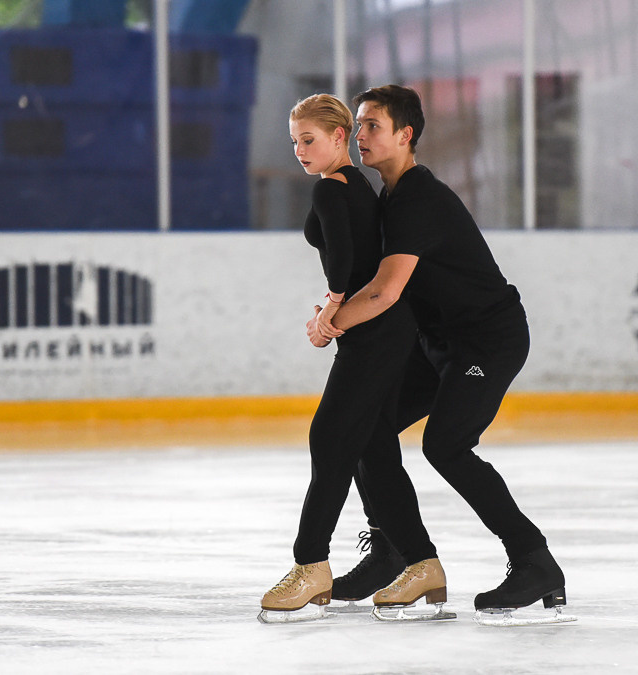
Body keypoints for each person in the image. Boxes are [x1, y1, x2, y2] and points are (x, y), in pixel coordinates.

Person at [309, 85, 567, 617]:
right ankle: (392, 552)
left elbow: (385, 290)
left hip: (485, 341)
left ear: (406, 136)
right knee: (366, 426)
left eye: (373, 126)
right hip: (437, 343)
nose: (361, 136)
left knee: (446, 446)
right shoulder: (389, 197)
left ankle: (534, 560)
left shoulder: (418, 199)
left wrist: (328, 323)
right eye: (357, 126)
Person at [259, 93, 419, 621]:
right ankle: (416, 560)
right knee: (370, 446)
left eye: (309, 140)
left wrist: (330, 312)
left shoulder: (331, 189)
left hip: (372, 332)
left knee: (329, 439)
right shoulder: (362, 186)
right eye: (295, 142)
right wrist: (340, 310)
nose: (300, 151)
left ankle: (311, 565)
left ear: (338, 137)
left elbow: (346, 263)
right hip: (385, 330)